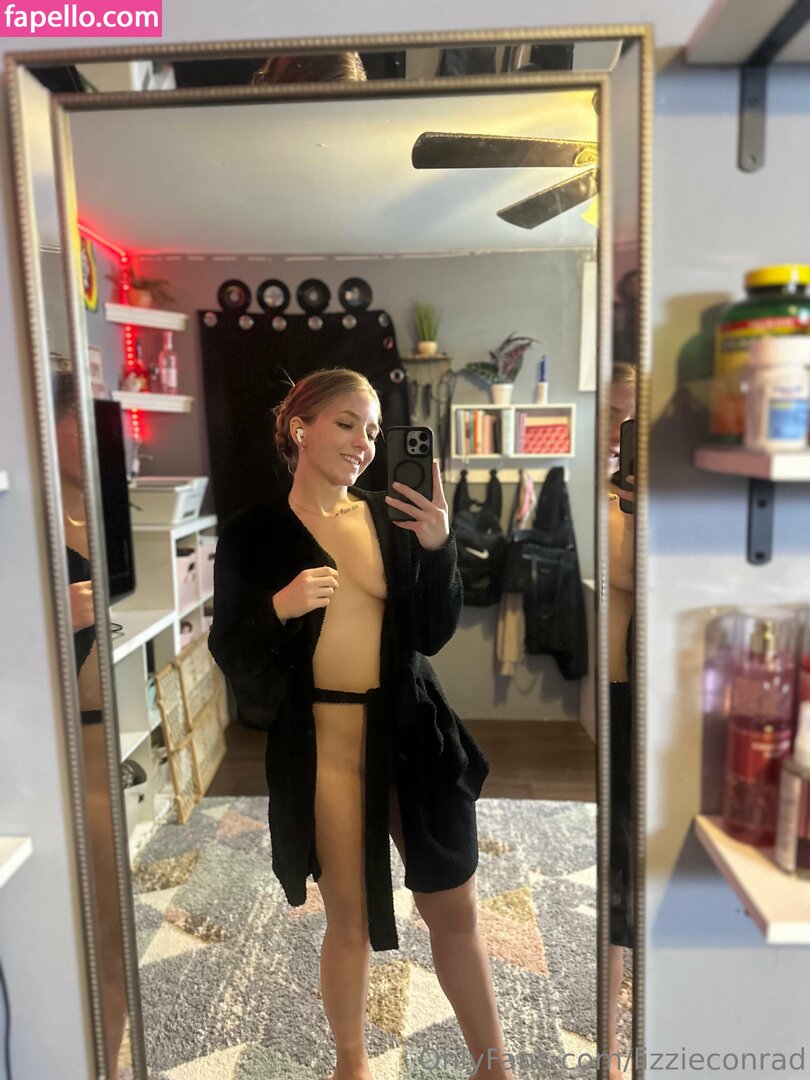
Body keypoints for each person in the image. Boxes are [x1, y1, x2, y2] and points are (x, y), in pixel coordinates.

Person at [208, 367, 512, 1080]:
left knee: (454, 907)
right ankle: (352, 1065)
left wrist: (438, 547)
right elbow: (232, 652)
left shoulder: (390, 516)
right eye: (347, 423)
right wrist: (279, 607)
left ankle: (492, 1066)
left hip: (413, 730)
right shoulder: (253, 534)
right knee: (347, 917)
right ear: (299, 427)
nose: (364, 443)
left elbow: (432, 633)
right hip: (326, 744)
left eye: (372, 430)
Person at [606, 360, 636, 1078]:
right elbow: (623, 570)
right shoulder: (602, 491)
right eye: (610, 412)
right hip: (614, 687)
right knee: (616, 850)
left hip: (649, 687)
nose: (617, 427)